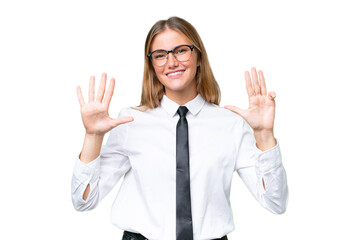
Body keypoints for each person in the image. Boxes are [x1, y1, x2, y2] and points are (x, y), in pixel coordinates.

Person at [71, 16, 288, 240]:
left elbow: (275, 202)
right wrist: (93, 136)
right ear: (152, 65)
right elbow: (83, 200)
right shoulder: (130, 122)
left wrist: (264, 136)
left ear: (198, 57)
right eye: (160, 55)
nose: (171, 62)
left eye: (181, 50)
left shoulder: (230, 123)